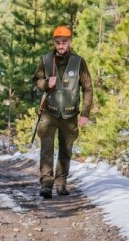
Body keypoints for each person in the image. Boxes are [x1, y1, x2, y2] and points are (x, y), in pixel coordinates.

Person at [33, 26, 93, 199]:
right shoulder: (46, 60)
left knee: (66, 149)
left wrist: (85, 114)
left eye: (64, 42)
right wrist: (45, 84)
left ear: (70, 42)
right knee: (47, 148)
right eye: (58, 42)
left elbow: (88, 89)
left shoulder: (79, 62)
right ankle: (46, 183)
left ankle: (61, 183)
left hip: (70, 114)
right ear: (54, 43)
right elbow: (36, 81)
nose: (61, 46)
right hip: (49, 112)